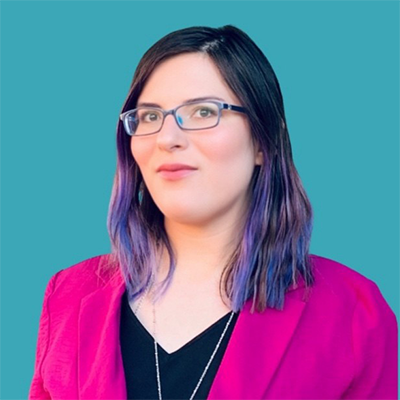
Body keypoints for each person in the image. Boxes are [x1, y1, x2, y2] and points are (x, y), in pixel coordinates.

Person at [29, 25, 397, 400]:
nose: (167, 138)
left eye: (203, 111)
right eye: (150, 117)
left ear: (263, 141)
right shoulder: (68, 295)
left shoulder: (353, 312)